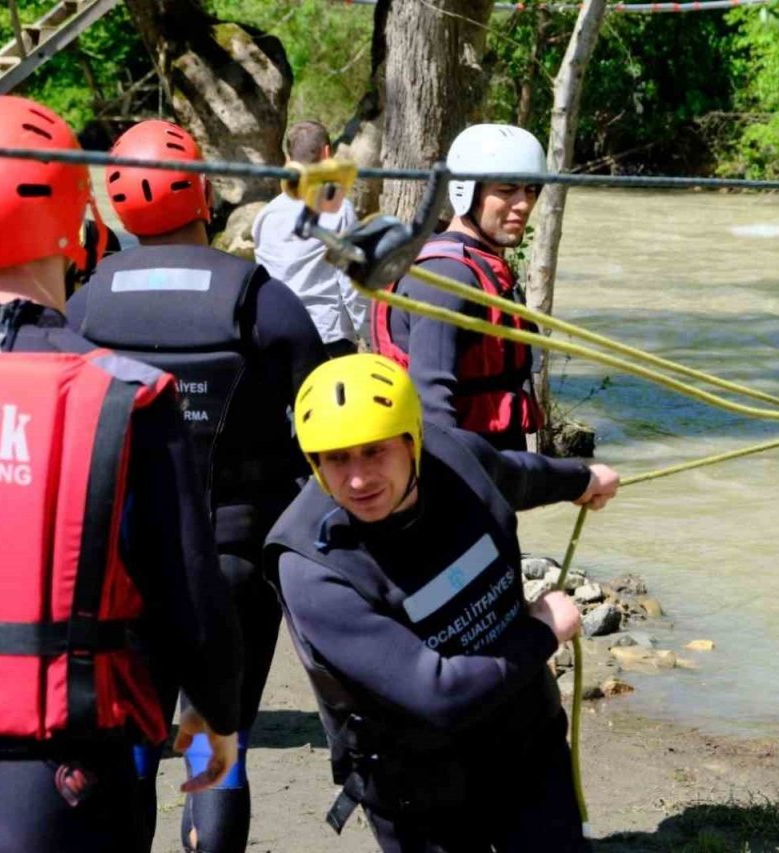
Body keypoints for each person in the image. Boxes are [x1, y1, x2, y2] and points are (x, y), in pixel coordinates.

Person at [0, 95, 242, 853]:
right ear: (74, 222)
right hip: (58, 776)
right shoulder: (126, 395)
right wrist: (216, 714)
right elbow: (190, 591)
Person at [66, 118, 327, 853]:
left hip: (127, 563)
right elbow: (323, 426)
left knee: (138, 735)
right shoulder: (262, 299)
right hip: (236, 558)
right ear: (204, 195)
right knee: (218, 731)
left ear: (117, 206)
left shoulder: (85, 307)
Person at [265, 354, 620, 852]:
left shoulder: (456, 456)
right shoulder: (312, 567)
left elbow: (518, 474)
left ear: (414, 441)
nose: (358, 479)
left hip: (524, 742)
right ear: (314, 463)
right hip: (417, 788)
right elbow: (439, 694)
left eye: (374, 451)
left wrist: (582, 480)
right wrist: (545, 630)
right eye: (336, 458)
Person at [372, 124, 547, 451]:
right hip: (461, 480)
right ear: (466, 191)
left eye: (531, 190)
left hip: (492, 470)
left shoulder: (477, 265)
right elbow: (433, 410)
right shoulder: (448, 277)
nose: (524, 204)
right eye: (507, 190)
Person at [253, 119, 367, 357]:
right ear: (327, 154)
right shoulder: (337, 208)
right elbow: (352, 284)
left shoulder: (265, 216)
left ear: (288, 160)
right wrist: (369, 335)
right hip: (327, 337)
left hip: (276, 337)